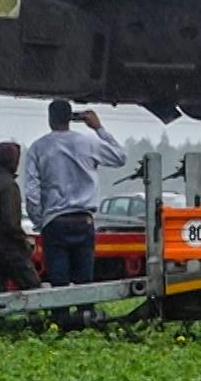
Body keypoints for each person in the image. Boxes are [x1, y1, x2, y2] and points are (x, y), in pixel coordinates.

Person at [23, 100, 127, 288]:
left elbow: (32, 192)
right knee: (84, 283)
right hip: (83, 220)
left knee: (58, 283)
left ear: (50, 119)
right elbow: (120, 157)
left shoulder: (38, 148)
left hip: (55, 222)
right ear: (70, 118)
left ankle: (61, 307)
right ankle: (85, 306)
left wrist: (40, 222)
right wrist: (98, 128)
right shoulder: (88, 143)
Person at [0, 141, 39, 293]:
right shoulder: (9, 185)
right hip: (8, 248)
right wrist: (24, 244)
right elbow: (11, 223)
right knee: (33, 287)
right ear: (12, 160)